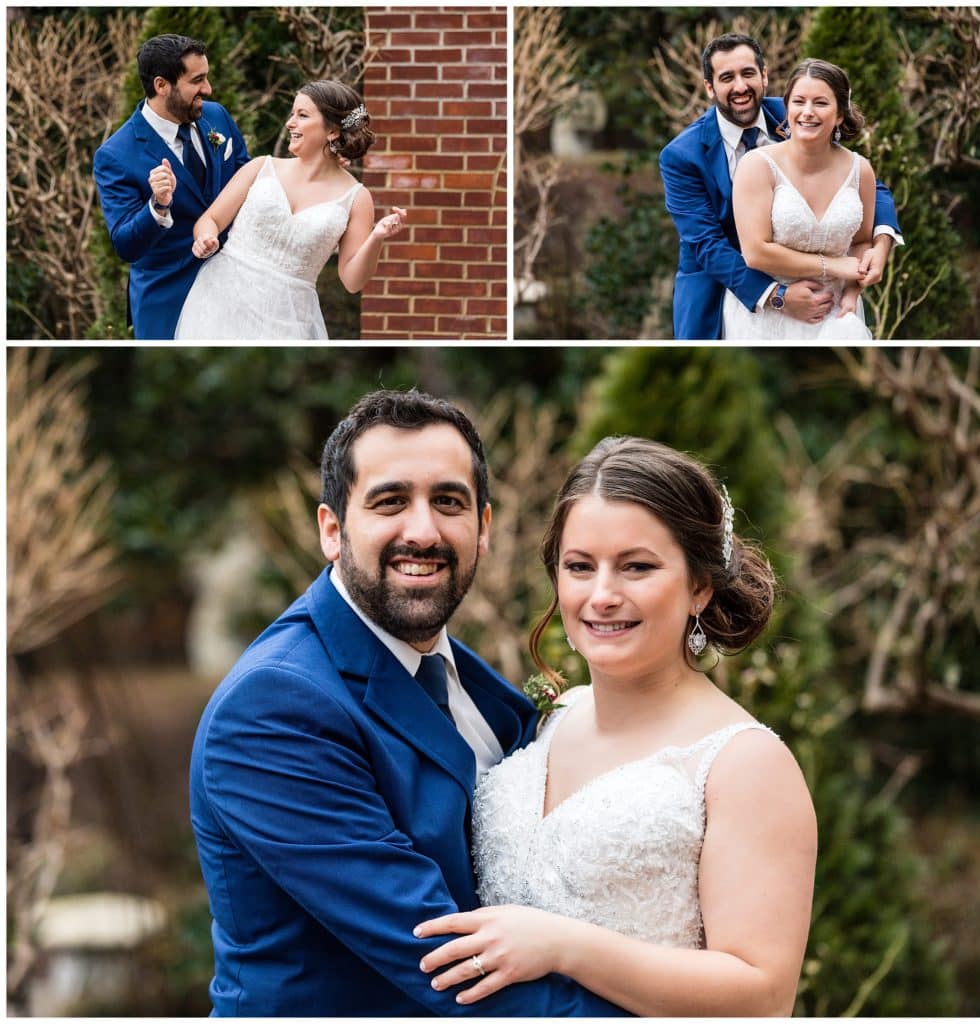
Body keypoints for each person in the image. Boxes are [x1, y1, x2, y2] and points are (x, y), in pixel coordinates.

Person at [189, 390, 626, 1016]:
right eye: (390, 501)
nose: (422, 532)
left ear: (483, 528)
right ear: (333, 530)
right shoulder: (273, 708)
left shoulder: (474, 685)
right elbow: (443, 959)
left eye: (448, 502)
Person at [414, 437, 817, 1016]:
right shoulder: (553, 719)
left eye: (637, 567)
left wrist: (565, 947)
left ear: (700, 586)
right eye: (580, 567)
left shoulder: (745, 763)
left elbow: (761, 994)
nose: (602, 595)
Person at [659, 32, 903, 341]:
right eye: (726, 78)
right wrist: (777, 296)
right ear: (710, 88)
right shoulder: (681, 156)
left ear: (764, 75)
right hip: (722, 286)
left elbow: (861, 183)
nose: (740, 87)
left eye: (748, 73)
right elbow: (708, 244)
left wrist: (880, 243)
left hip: (824, 295)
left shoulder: (798, 113)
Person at [174, 81, 406, 339]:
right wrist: (206, 237)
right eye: (292, 113)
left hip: (289, 320)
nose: (290, 123)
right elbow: (211, 219)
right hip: (220, 302)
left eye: (302, 115)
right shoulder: (261, 167)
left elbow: (353, 282)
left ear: (331, 131)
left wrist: (377, 237)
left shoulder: (357, 198)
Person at [94, 34, 250, 340]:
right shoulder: (115, 155)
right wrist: (157, 206)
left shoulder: (216, 116)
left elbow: (249, 179)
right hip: (169, 299)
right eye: (197, 80)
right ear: (161, 85)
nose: (208, 89)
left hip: (237, 289)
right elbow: (126, 245)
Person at [724, 59, 877, 340]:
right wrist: (832, 266)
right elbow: (755, 252)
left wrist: (852, 294)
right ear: (787, 107)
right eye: (798, 101)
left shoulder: (861, 170)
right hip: (768, 313)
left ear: (840, 114)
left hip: (835, 311)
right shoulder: (757, 166)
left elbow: (861, 242)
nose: (807, 112)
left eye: (820, 103)